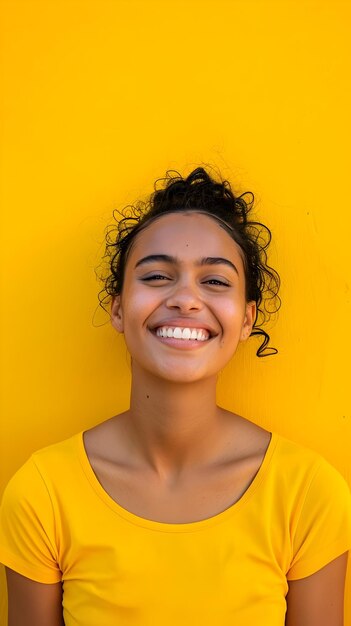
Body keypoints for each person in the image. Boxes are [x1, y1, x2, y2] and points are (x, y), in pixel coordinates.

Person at [1, 166, 351, 626]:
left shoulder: (308, 494)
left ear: (246, 319)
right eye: (157, 276)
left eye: (215, 281)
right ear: (119, 308)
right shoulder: (42, 494)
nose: (186, 299)